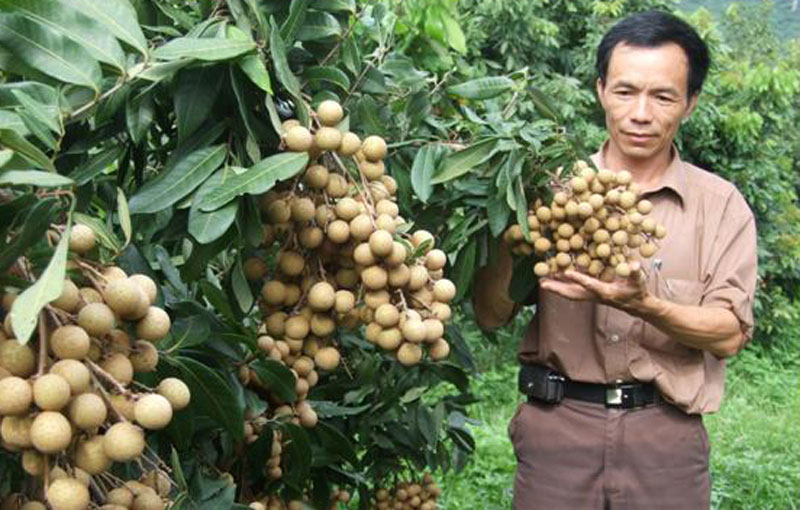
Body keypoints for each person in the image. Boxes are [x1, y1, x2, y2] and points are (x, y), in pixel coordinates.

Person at [473, 10, 757, 510]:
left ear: (690, 103)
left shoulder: (720, 204)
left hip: (665, 439)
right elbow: (491, 315)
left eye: (663, 96)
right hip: (557, 432)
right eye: (625, 91)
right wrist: (510, 237)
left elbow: (729, 333)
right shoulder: (546, 191)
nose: (641, 113)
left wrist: (647, 305)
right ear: (601, 89)